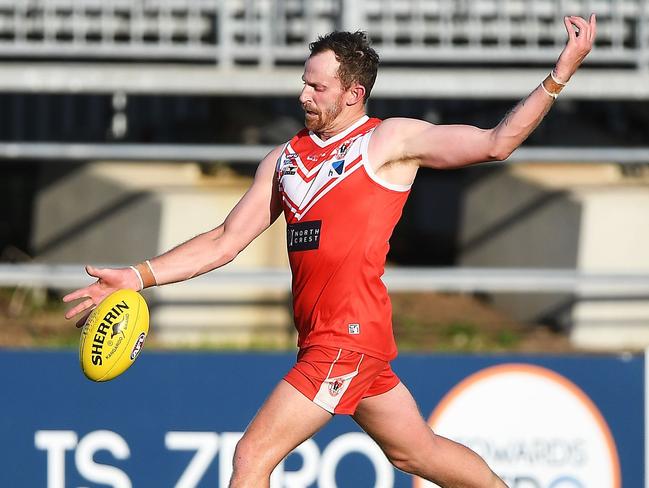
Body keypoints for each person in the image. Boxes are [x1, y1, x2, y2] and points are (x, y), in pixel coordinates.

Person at [64, 14, 596, 488]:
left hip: (347, 337)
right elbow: (225, 241)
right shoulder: (284, 160)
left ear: (353, 94)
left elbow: (496, 142)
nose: (304, 96)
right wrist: (138, 275)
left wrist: (561, 74)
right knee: (417, 453)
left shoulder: (387, 142)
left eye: (317, 88)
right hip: (326, 339)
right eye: (303, 83)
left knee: (252, 456)